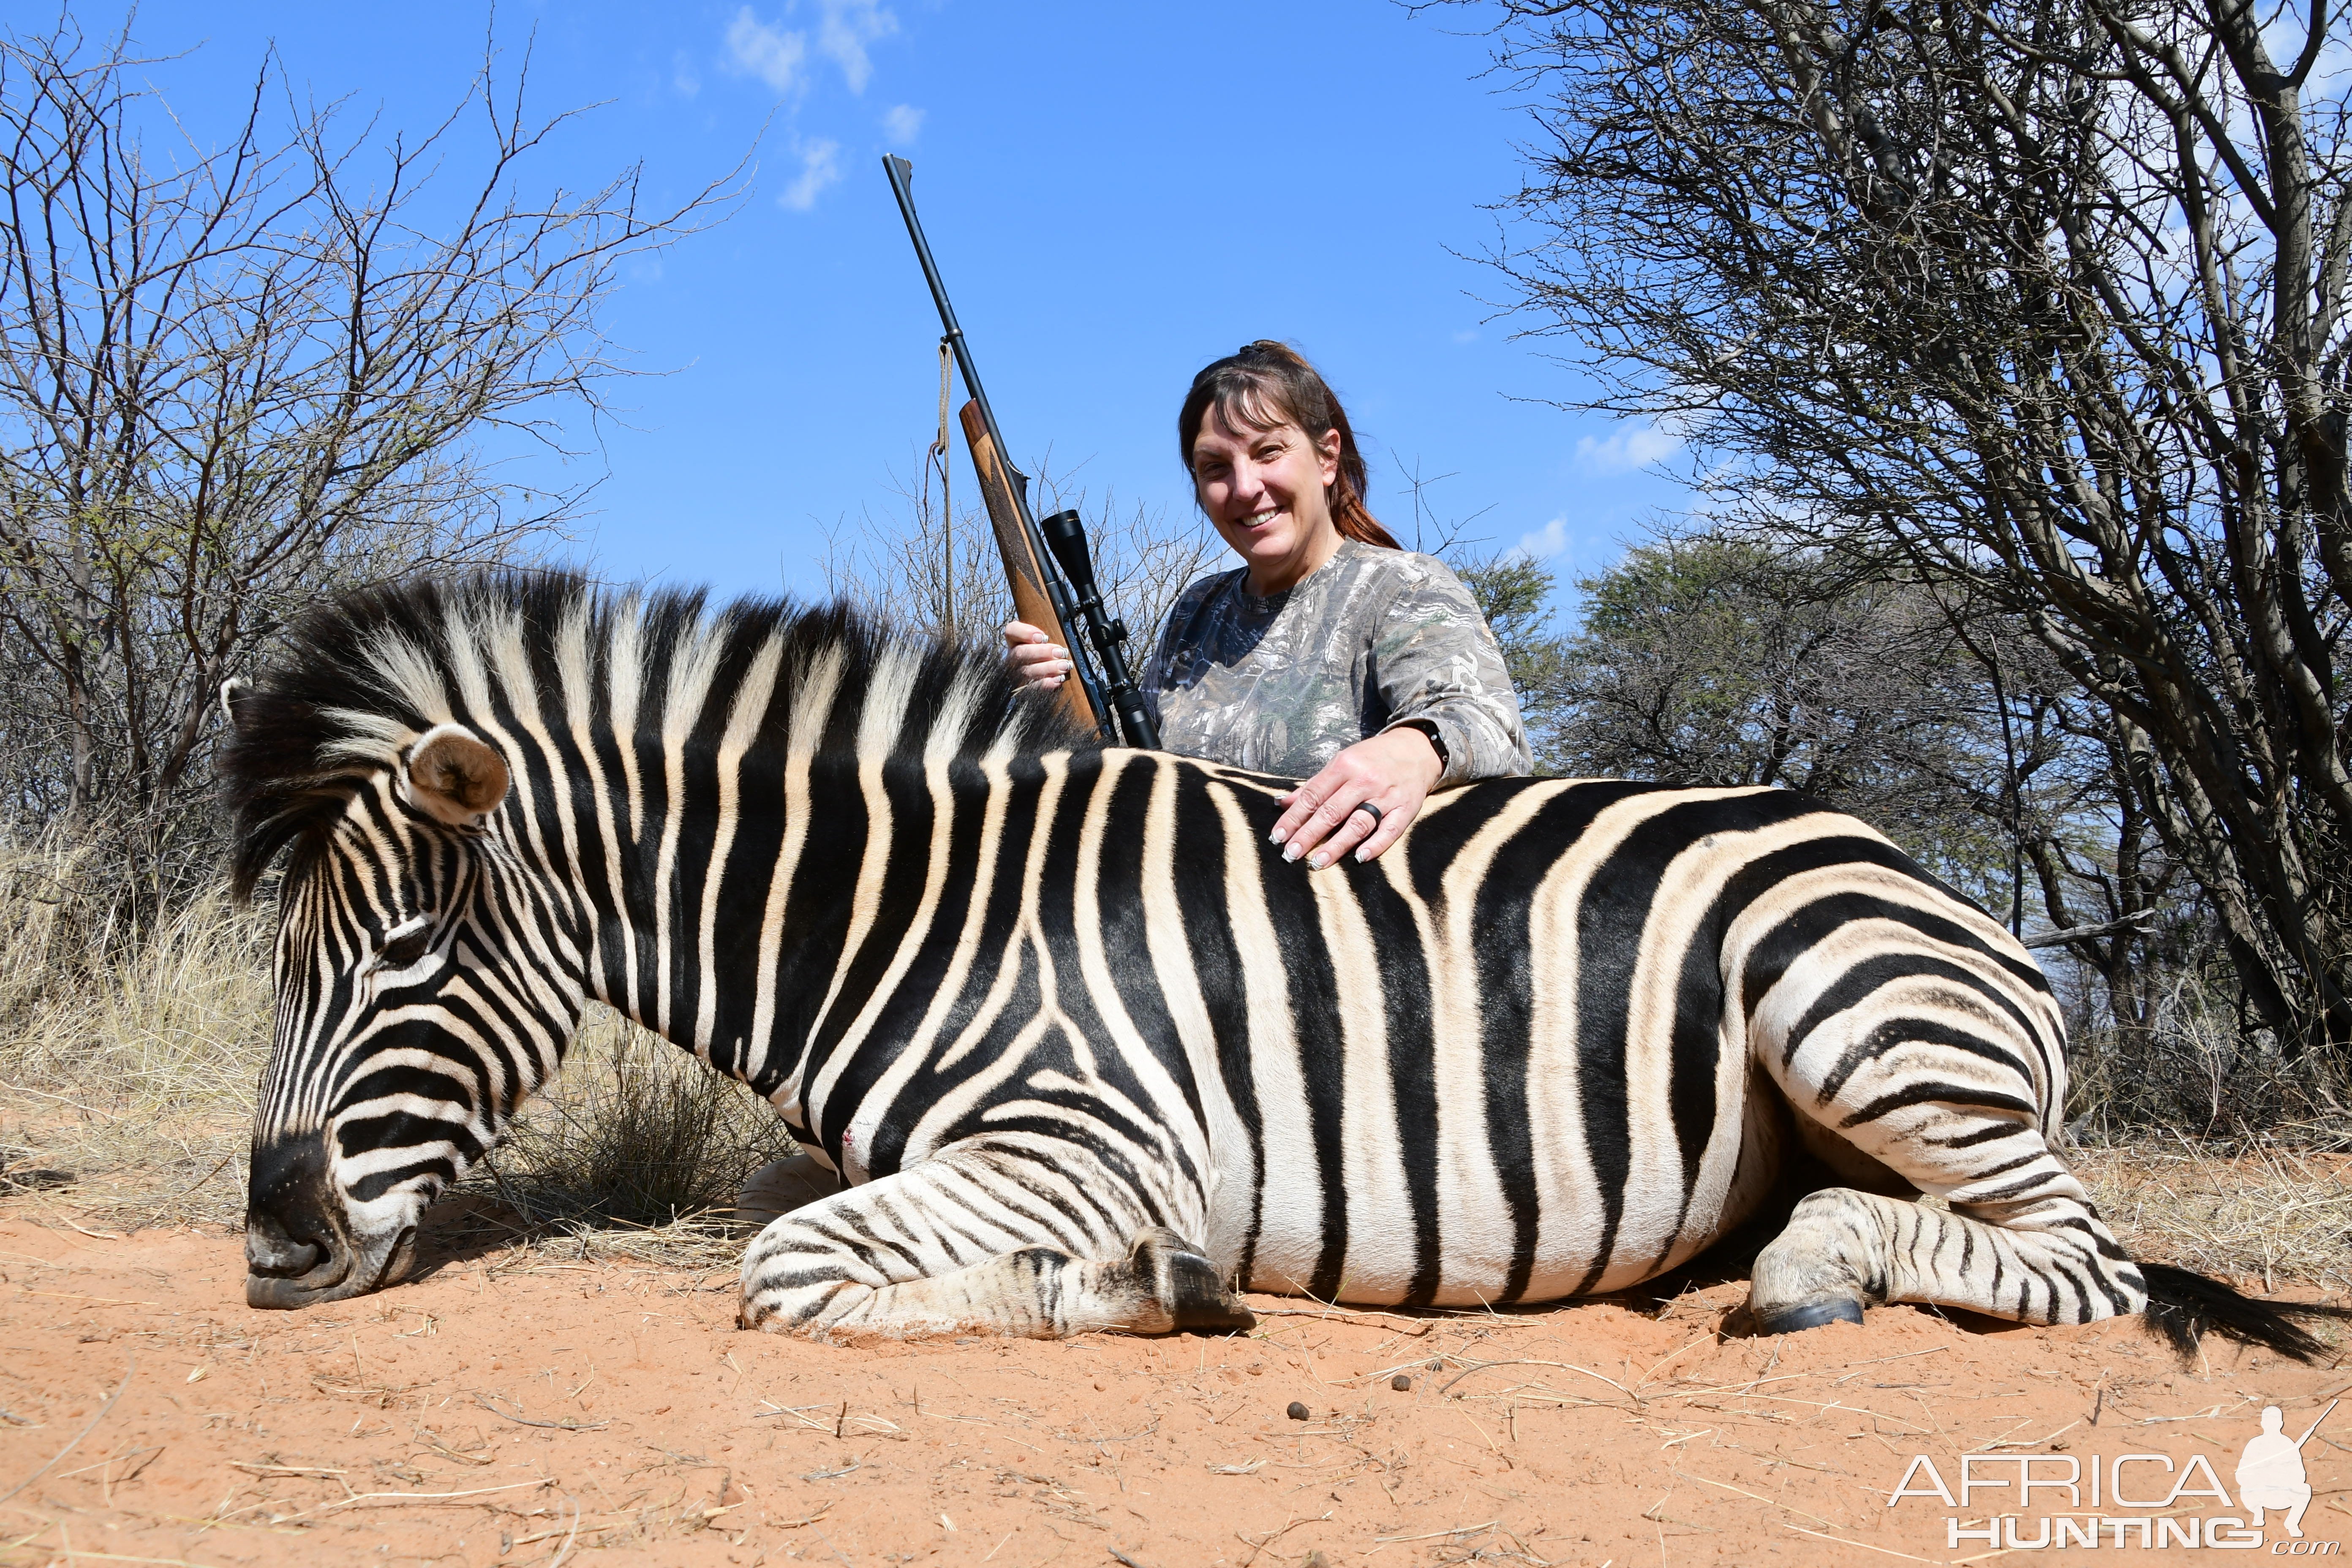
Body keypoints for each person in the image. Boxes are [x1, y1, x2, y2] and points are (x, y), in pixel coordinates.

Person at [1005, 340, 1530, 868]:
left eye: (1268, 452)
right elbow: (1144, 780)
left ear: (1327, 456)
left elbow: (1485, 721)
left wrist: (1412, 751)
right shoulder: (1196, 610)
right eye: (1215, 468)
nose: (1245, 487)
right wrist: (1050, 700)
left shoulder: (1401, 584)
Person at [2236, 1405, 2314, 1537]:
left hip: (2282, 1494)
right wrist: (2261, 1472)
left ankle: (2292, 1523)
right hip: (2260, 1494)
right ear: (2262, 1424)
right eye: (2268, 1421)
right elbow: (2241, 1475)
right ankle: (2258, 1513)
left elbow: (2301, 1476)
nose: (2271, 1424)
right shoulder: (2254, 1444)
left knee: (2305, 1489)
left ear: (2281, 1424)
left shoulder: (2289, 1445)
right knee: (2246, 1488)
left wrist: (2283, 1472)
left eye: (2275, 1421)